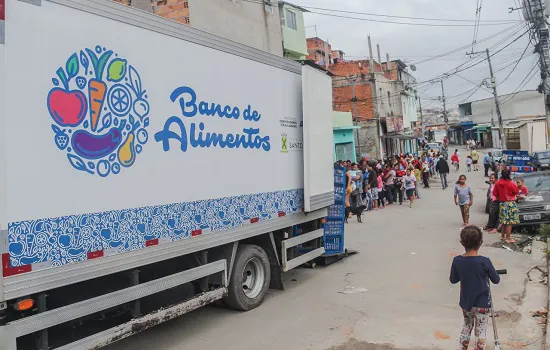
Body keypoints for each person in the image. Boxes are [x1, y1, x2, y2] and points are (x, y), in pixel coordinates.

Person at [450, 226, 500, 350]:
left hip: (466, 302)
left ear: (462, 243)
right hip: (482, 303)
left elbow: (453, 279)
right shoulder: (485, 261)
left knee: (467, 326)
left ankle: (462, 348)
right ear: (480, 242)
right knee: (481, 330)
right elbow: (496, 280)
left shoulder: (457, 260)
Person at [492, 169, 519, 243]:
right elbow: (516, 192)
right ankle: (508, 238)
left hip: (502, 203)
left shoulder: (498, 183)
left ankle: (502, 236)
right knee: (509, 222)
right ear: (509, 175)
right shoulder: (511, 183)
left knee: (503, 221)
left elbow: (494, 193)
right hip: (510, 203)